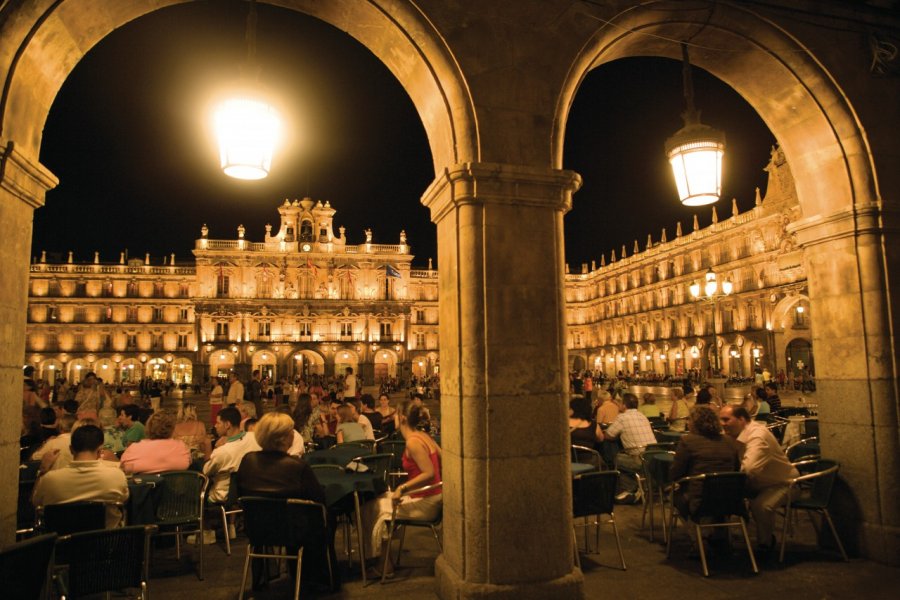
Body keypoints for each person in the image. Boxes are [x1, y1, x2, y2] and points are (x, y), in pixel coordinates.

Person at [236, 412, 333, 592]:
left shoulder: (248, 461)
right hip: (292, 531)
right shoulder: (297, 466)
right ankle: (318, 577)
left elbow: (239, 492)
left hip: (257, 530)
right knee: (328, 518)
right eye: (291, 431)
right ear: (283, 437)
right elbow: (319, 499)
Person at [362, 400, 441, 577]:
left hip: (425, 500)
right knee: (376, 503)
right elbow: (441, 459)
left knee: (374, 508)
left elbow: (428, 472)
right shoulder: (425, 436)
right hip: (432, 495)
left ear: (402, 418)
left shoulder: (413, 442)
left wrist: (402, 488)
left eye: (396, 414)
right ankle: (384, 560)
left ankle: (382, 564)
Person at [720, 405, 799, 552]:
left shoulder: (757, 436)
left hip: (784, 484)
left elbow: (748, 469)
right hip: (759, 483)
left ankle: (766, 544)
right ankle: (720, 538)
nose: (722, 424)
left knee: (761, 506)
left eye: (726, 419)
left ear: (741, 419)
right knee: (721, 496)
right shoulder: (738, 432)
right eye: (721, 420)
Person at [32, 424, 129, 528]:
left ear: (71, 449)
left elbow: (36, 502)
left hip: (63, 542)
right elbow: (124, 499)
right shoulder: (116, 476)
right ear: (100, 450)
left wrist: (43, 469)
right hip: (108, 542)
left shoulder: (49, 480)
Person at [670, 406, 742, 518]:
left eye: (689, 420)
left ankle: (695, 531)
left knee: (673, 493)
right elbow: (736, 469)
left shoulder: (687, 441)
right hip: (730, 501)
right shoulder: (730, 441)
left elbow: (676, 473)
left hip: (700, 502)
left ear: (694, 423)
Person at [599, 393, 657, 503]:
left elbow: (608, 435)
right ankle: (638, 486)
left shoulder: (622, 417)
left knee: (613, 458)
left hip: (639, 458)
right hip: (652, 455)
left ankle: (630, 487)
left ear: (624, 405)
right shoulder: (642, 416)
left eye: (620, 403)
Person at [203, 407, 258, 503]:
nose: (215, 426)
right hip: (250, 491)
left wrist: (210, 446)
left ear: (227, 425)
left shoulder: (222, 451)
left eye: (218, 423)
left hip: (224, 496)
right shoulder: (253, 438)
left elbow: (206, 472)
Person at [119, 411, 191, 474]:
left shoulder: (133, 449)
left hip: (145, 489)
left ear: (148, 427)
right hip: (177, 489)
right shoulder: (181, 447)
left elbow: (124, 469)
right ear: (172, 429)